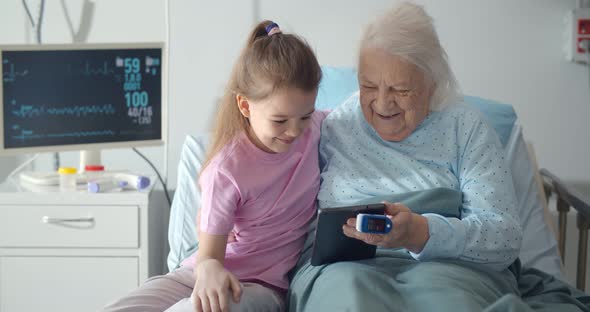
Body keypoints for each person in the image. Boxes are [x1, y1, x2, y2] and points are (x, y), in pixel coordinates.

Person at [287, 3, 524, 311]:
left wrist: (421, 233)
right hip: (344, 270)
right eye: (369, 86)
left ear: (432, 83)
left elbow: (503, 238)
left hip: (450, 270)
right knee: (349, 300)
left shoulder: (466, 129)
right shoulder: (336, 125)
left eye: (400, 89)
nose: (383, 103)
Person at [102, 20, 324, 312]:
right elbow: (208, 258)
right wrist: (208, 271)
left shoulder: (318, 128)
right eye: (280, 121)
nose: (295, 131)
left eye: (305, 116)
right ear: (245, 106)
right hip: (200, 273)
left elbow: (360, 106)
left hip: (261, 286)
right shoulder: (227, 169)